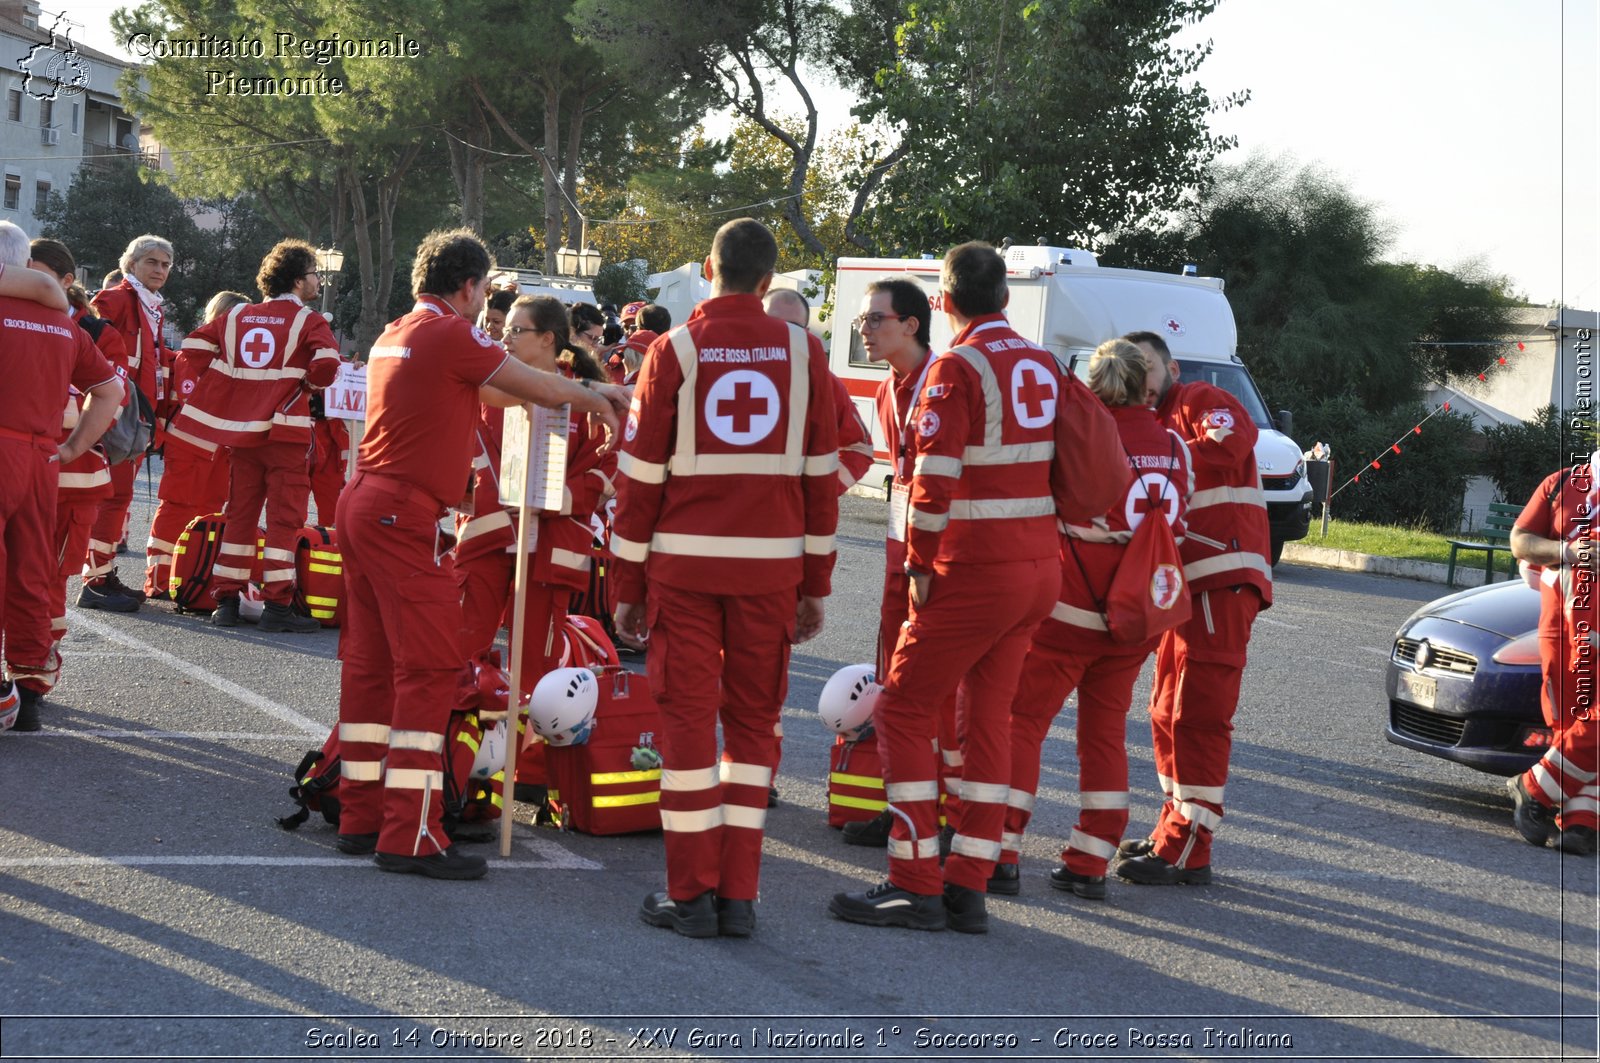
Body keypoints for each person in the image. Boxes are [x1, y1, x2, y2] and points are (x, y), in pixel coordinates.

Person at [829, 241, 1122, 934]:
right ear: (1006, 298)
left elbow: (931, 484)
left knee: (902, 709)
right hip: (1038, 569)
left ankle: (913, 879)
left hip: (974, 568)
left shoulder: (956, 366)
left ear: (945, 302)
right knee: (989, 717)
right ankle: (970, 879)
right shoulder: (1046, 363)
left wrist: (919, 567)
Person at [333, 228, 625, 880]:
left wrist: (582, 392)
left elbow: (498, 391)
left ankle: (360, 813)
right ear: (469, 288)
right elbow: (539, 389)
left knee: (370, 664)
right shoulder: (449, 333)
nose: (486, 312)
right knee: (432, 670)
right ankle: (409, 834)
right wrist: (598, 396)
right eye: (485, 296)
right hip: (400, 513)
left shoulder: (397, 333)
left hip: (364, 505)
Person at [612, 217, 839, 937]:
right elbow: (822, 481)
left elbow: (640, 479)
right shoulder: (807, 353)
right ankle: (739, 895)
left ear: (709, 268)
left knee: (685, 723)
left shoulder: (675, 347)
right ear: (770, 281)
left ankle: (690, 893)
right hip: (770, 574)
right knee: (754, 728)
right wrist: (816, 584)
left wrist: (626, 585)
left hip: (684, 567)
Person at [994, 338, 1192, 900]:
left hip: (1070, 609)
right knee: (1103, 734)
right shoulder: (1177, 447)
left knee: (1021, 722)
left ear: (1099, 382)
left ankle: (999, 848)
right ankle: (1090, 859)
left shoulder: (1083, 435)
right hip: (1138, 616)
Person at [1115, 329, 1271, 886]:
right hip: (1186, 587)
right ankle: (1171, 828)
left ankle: (1188, 848)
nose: (1141, 375)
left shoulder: (1201, 401)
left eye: (1148, 365)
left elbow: (1229, 445)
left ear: (1172, 368)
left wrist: (1157, 452)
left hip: (1220, 579)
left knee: (1198, 716)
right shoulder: (1149, 423)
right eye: (1131, 367)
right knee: (1164, 712)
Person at [455, 294, 617, 806]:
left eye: (516, 330)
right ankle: (459, 767)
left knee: (538, 669)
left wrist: (562, 497)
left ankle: (522, 775)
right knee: (462, 650)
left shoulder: (587, 398)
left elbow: (609, 469)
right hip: (487, 536)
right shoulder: (490, 387)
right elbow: (467, 450)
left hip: (551, 548)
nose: (503, 336)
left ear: (548, 339)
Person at [841, 277, 965, 849]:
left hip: (932, 556)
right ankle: (902, 803)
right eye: (864, 320)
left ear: (911, 325)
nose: (863, 329)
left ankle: (938, 813)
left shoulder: (942, 381)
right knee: (892, 680)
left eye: (874, 319)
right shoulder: (888, 387)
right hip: (901, 545)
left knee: (927, 692)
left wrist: (924, 561)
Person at [164, 241, 341, 633]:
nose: (317, 280)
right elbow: (328, 364)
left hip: (243, 432)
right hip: (286, 432)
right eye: (314, 273)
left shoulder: (239, 314)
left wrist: (231, 384)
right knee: (284, 518)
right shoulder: (309, 320)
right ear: (298, 280)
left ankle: (226, 600)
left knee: (240, 514)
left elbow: (192, 345)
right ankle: (277, 606)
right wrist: (304, 385)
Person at [0, 221, 124, 733]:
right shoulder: (62, 322)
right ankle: (29, 688)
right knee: (32, 573)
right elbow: (111, 391)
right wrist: (72, 447)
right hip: (39, 459)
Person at [24, 240, 130, 680]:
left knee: (50, 579)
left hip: (73, 477)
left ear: (68, 283)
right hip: (24, 471)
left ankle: (35, 675)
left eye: (39, 275)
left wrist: (68, 447)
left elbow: (112, 404)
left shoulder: (101, 334)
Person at [1506, 459, 1599, 855]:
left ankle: (1533, 787)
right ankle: (1579, 820)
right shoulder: (1563, 483)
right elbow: (1521, 541)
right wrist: (1568, 550)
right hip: (1561, 626)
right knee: (1567, 722)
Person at [84, 235, 175, 609]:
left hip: (134, 414)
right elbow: (90, 350)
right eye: (152, 262)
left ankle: (102, 574)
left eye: (165, 264)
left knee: (118, 498)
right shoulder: (115, 299)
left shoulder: (151, 305)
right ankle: (94, 580)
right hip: (116, 414)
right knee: (111, 498)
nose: (159, 270)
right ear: (132, 264)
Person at [141, 291, 246, 598]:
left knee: (210, 513)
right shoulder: (195, 353)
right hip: (190, 448)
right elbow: (194, 396)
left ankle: (191, 577)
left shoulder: (235, 359)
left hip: (219, 451)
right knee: (176, 511)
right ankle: (160, 579)